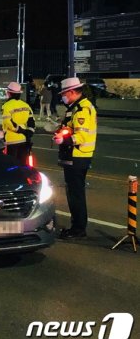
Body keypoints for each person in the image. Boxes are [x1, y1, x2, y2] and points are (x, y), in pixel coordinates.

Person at [53, 77, 97, 239]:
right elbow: (70, 128)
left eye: (64, 93)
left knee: (75, 194)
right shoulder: (75, 107)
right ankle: (77, 226)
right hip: (75, 156)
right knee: (74, 192)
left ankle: (78, 229)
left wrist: (63, 139)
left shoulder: (82, 109)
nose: (63, 96)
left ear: (71, 92)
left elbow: (82, 136)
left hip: (77, 156)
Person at [1, 81, 35, 164]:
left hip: (11, 141)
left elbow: (8, 122)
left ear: (9, 93)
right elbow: (32, 122)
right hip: (23, 140)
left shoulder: (6, 105)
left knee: (11, 165)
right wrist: (28, 133)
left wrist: (18, 130)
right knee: (22, 164)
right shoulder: (26, 105)